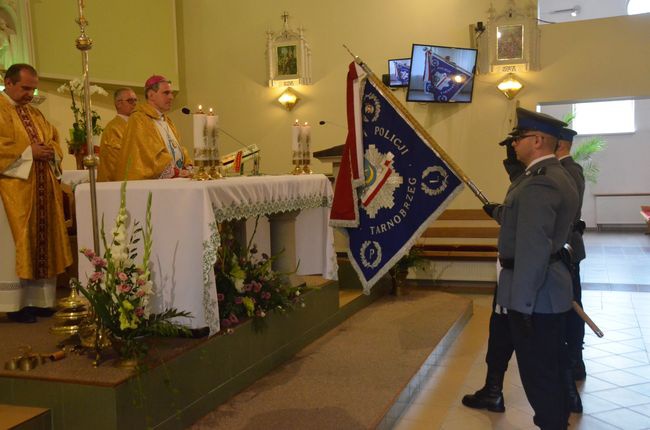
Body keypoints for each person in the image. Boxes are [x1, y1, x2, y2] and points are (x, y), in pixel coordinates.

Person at [462, 125, 585, 416]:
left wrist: (522, 306)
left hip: (532, 289)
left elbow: (532, 248)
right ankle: (505, 395)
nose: (514, 145)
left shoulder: (541, 183)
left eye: (519, 139)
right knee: (543, 362)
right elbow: (523, 216)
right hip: (531, 283)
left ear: (538, 140)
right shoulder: (545, 176)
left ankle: (554, 417)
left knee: (540, 373)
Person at [0, 64, 73, 323]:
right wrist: (30, 151)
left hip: (42, 187)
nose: (30, 94)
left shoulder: (36, 114)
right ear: (8, 83)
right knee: (16, 246)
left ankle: (41, 301)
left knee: (43, 241)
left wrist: (52, 151)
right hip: (12, 192)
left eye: (33, 88)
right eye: (25, 88)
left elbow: (53, 139)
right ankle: (15, 305)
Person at [115, 75, 191, 180]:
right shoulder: (139, 119)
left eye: (171, 93)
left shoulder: (166, 120)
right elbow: (149, 155)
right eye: (166, 93)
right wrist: (176, 172)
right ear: (151, 95)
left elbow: (178, 148)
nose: (171, 97)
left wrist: (188, 165)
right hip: (151, 186)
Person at [556, 127, 587, 382]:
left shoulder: (570, 170)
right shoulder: (562, 169)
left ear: (560, 145)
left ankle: (576, 359)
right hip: (563, 248)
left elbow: (569, 212)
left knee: (572, 305)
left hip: (567, 249)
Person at [97, 87, 137, 182]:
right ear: (118, 103)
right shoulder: (113, 128)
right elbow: (114, 162)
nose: (135, 104)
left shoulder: (135, 124)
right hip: (120, 182)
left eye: (136, 100)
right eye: (130, 101)